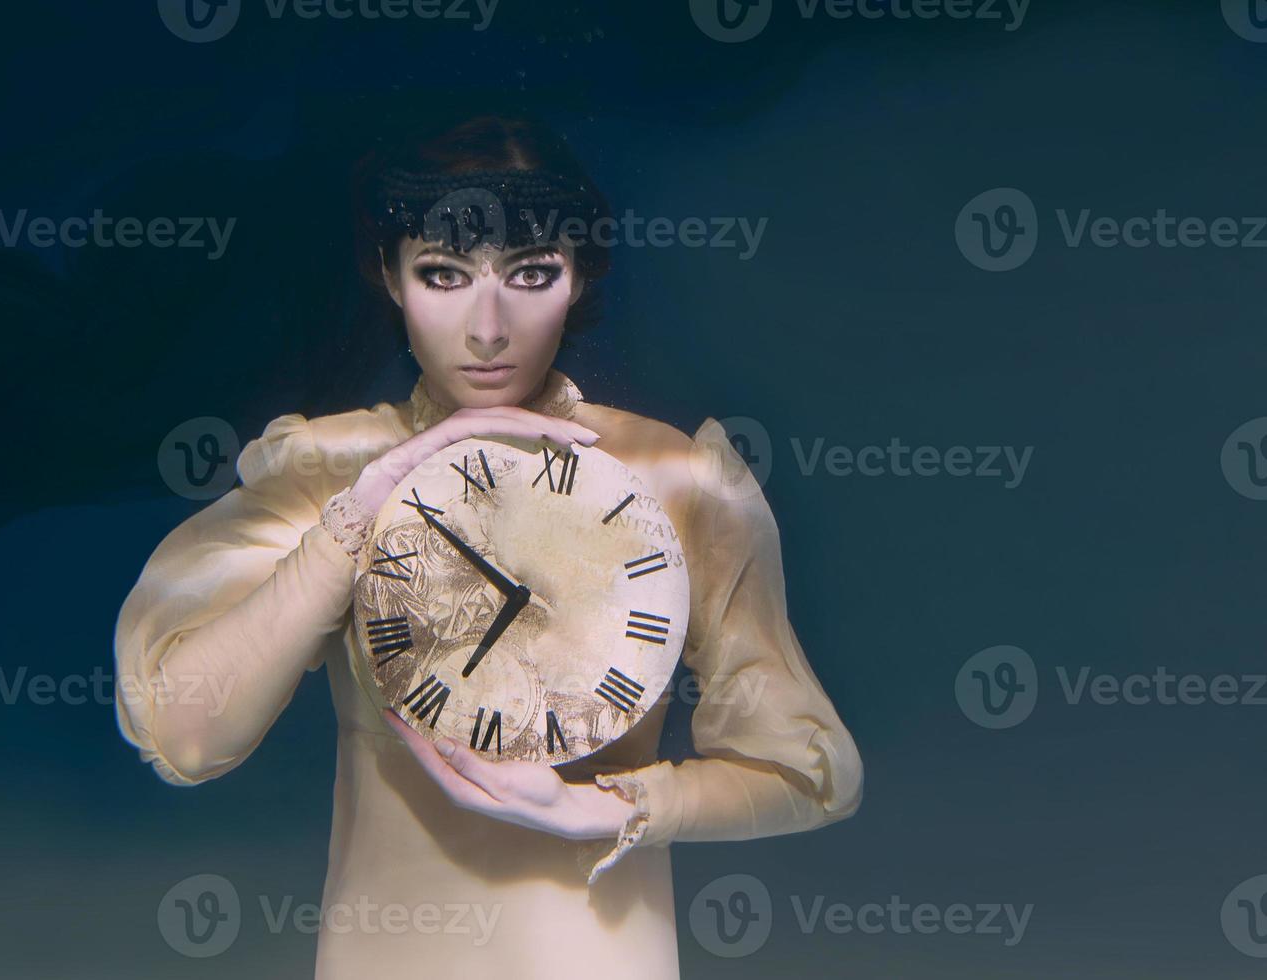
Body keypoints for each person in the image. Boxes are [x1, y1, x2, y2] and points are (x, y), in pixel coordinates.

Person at [112, 113, 863, 978]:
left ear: (578, 277)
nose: (488, 329)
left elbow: (810, 773)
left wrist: (612, 807)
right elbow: (186, 738)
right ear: (389, 277)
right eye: (442, 274)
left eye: (532, 273)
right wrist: (349, 525)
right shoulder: (329, 469)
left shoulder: (678, 478)